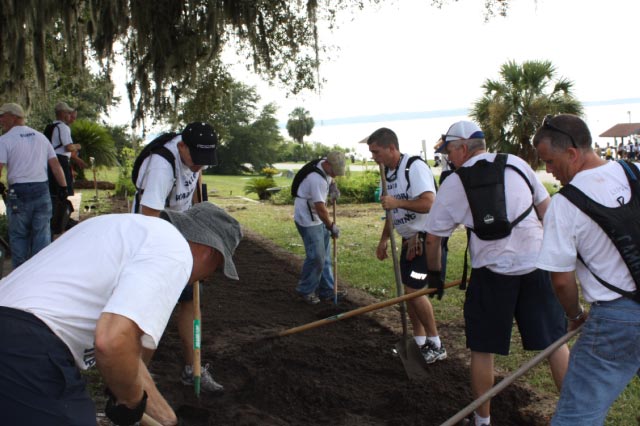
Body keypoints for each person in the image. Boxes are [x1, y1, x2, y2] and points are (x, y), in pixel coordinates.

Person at [0, 202, 242, 425]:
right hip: (28, 347)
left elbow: (127, 351)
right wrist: (130, 401)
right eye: (217, 268)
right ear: (210, 252)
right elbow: (112, 343)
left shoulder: (123, 228)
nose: (208, 277)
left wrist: (167, 419)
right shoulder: (176, 252)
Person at [424, 121, 569, 426]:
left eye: (450, 150)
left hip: (490, 274)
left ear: (464, 147)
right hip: (536, 266)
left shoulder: (454, 182)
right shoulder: (516, 164)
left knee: (483, 348)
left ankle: (482, 421)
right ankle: (575, 417)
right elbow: (547, 210)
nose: (449, 157)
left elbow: (434, 239)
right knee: (556, 342)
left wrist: (435, 275)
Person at [533, 114, 640, 425]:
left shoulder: (564, 205)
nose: (549, 172)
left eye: (550, 162)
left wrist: (574, 315)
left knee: (576, 417)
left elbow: (562, 281)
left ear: (572, 153)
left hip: (617, 321)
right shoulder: (633, 172)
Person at [133, 121, 224, 394]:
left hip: (181, 233)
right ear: (182, 146)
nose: (199, 167)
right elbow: (149, 219)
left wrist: (199, 227)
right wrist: (170, 256)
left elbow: (196, 190)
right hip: (153, 237)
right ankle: (135, 380)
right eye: (196, 161)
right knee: (153, 310)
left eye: (204, 162)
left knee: (190, 302)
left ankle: (192, 368)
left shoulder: (196, 156)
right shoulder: (162, 166)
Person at [366, 128, 447, 364]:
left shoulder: (414, 167)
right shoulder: (387, 174)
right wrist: (384, 239)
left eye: (376, 151)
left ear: (391, 148)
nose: (373, 157)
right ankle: (420, 343)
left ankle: (436, 344)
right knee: (409, 293)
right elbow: (391, 212)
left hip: (425, 240)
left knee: (414, 292)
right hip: (407, 239)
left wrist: (396, 201)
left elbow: (429, 203)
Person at [0, 102, 68, 269]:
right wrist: (63, 188)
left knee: (19, 235)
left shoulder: (4, 140)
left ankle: (19, 276)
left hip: (19, 192)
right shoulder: (40, 137)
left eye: (3, 116)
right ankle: (39, 275)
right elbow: (55, 165)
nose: (0, 120)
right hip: (41, 191)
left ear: (14, 117)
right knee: (41, 234)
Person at [292, 151, 347, 304]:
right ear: (328, 165)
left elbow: (330, 179)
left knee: (325, 257)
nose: (335, 175)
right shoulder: (316, 179)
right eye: (334, 172)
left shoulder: (325, 164)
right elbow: (321, 209)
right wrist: (331, 227)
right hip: (308, 218)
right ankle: (305, 291)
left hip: (318, 217)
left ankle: (327, 290)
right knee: (316, 257)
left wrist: (333, 187)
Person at [48, 101, 82, 196]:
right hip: (61, 161)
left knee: (53, 189)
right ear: (62, 113)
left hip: (50, 159)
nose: (69, 115)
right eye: (68, 113)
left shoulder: (51, 126)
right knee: (63, 189)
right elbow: (69, 147)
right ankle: (62, 209)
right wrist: (78, 146)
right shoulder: (63, 127)